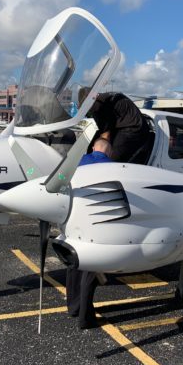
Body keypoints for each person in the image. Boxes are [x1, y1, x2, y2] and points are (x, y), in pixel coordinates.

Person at [66, 138, 112, 329]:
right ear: (109, 152)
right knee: (90, 270)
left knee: (74, 265)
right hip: (96, 222)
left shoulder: (78, 161)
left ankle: (73, 307)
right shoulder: (113, 166)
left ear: (93, 147)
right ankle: (86, 318)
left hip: (74, 219)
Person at [88, 92, 151, 163]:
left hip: (134, 128)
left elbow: (105, 136)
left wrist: (99, 156)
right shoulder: (101, 100)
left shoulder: (100, 107)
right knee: (94, 148)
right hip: (124, 124)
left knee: (113, 157)